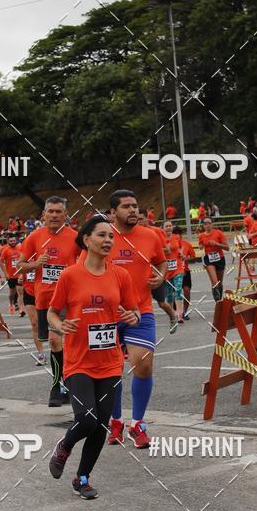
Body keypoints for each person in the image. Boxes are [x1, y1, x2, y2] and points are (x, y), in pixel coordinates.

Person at [47, 214, 139, 499]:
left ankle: (82, 479)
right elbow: (52, 312)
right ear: (86, 239)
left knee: (101, 424)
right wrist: (61, 326)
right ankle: (65, 445)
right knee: (87, 419)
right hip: (79, 360)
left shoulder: (120, 275)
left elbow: (134, 312)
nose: (108, 240)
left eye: (110, 236)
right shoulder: (70, 275)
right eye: (101, 235)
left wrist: (130, 316)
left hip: (110, 361)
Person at [106, 190, 166, 448]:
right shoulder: (103, 236)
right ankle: (115, 421)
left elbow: (162, 262)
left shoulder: (151, 235)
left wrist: (161, 276)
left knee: (143, 365)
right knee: (111, 371)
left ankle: (138, 424)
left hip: (140, 310)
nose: (133, 210)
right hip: (106, 314)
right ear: (112, 212)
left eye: (135, 205)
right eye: (126, 206)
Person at [18, 196, 80, 407]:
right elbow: (20, 265)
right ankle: (58, 384)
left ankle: (64, 386)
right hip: (45, 299)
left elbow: (88, 262)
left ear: (65, 215)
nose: (54, 215)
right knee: (54, 343)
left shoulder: (76, 237)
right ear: (43, 215)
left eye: (58, 212)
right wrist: (36, 263)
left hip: (70, 299)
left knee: (66, 343)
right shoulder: (34, 237)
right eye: (50, 212)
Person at [198, 218, 228, 301]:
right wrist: (200, 246)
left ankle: (220, 302)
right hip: (209, 259)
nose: (207, 225)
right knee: (214, 282)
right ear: (203, 225)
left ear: (212, 224)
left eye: (209, 223)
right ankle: (217, 302)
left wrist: (217, 244)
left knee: (219, 282)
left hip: (220, 258)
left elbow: (227, 248)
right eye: (205, 223)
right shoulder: (201, 235)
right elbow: (200, 244)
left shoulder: (219, 233)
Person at [162, 220, 184, 324]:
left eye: (170, 225)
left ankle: (180, 314)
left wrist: (181, 253)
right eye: (166, 226)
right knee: (169, 294)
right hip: (166, 270)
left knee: (178, 289)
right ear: (163, 228)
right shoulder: (160, 239)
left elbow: (180, 247)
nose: (168, 227)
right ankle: (172, 314)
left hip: (177, 267)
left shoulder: (176, 237)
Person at [0, 234, 24, 316]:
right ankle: (11, 304)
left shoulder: (20, 248)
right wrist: (5, 273)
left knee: (20, 291)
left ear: (16, 240)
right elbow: (1, 262)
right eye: (11, 241)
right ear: (8, 241)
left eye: (14, 240)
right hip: (10, 275)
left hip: (19, 274)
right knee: (12, 293)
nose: (13, 242)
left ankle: (21, 309)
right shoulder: (5, 250)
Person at [177, 227, 196, 319]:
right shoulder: (169, 245)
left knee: (187, 291)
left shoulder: (187, 244)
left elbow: (193, 257)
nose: (177, 237)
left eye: (179, 235)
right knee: (175, 293)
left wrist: (186, 258)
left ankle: (185, 311)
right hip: (173, 272)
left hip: (185, 272)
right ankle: (178, 311)